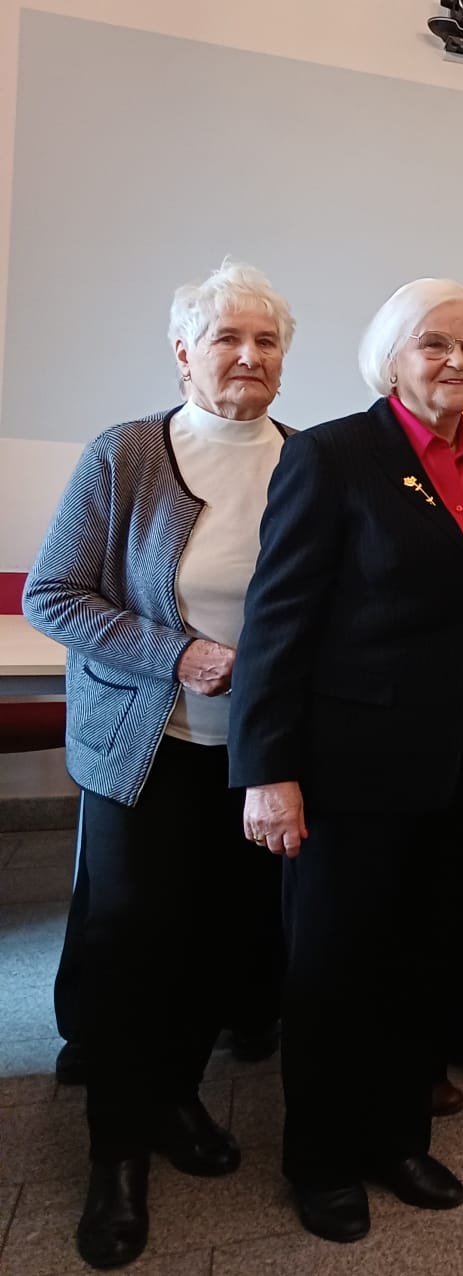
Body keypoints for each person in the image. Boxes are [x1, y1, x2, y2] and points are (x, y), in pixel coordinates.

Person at [227, 279, 463, 1244]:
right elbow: (278, 619)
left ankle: (397, 1133)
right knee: (333, 965)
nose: (459, 362)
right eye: (436, 345)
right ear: (394, 356)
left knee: (423, 952)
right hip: (345, 765)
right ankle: (321, 1160)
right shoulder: (331, 454)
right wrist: (266, 769)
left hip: (456, 760)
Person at [24, 262, 295, 1270]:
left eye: (266, 341)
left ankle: (176, 1096)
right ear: (183, 351)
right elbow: (54, 595)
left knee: (224, 941)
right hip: (149, 747)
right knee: (135, 942)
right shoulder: (128, 454)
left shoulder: (306, 461)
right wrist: (177, 654)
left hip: (256, 757)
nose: (248, 356)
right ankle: (116, 1155)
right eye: (226, 338)